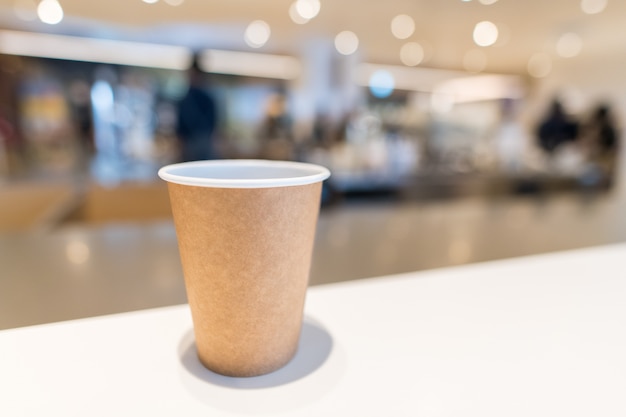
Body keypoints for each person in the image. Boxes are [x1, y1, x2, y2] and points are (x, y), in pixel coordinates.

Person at [175, 53, 218, 162]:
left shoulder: (205, 98)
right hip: (189, 142)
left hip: (202, 140)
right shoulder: (186, 98)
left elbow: (213, 123)